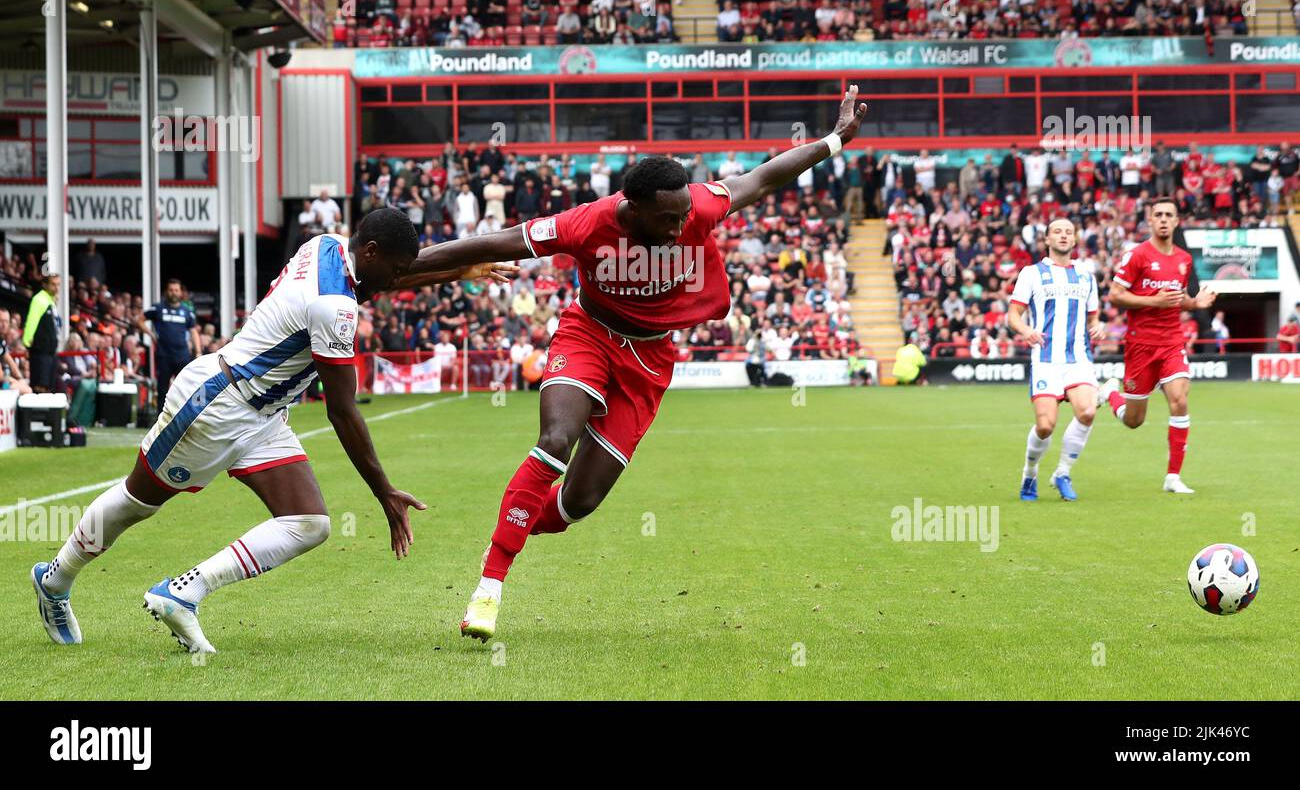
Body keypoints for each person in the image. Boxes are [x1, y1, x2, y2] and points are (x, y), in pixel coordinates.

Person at [397, 87, 870, 641]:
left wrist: (834, 139)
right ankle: (490, 584)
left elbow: (765, 177)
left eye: (684, 216)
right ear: (634, 208)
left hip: (649, 357)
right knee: (555, 439)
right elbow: (494, 241)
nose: (680, 228)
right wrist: (396, 268)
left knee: (579, 502)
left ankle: (514, 527)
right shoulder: (583, 223)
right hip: (589, 335)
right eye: (668, 220)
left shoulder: (697, 204)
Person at [31, 208, 514, 652]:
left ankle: (183, 593)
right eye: (397, 267)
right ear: (370, 253)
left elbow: (379, 278)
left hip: (261, 414)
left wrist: (454, 270)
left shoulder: (325, 244)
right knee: (136, 503)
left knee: (309, 523)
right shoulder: (334, 305)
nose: (399, 277)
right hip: (215, 407)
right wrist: (384, 492)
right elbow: (342, 411)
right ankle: (55, 580)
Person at [1098, 198, 1217, 494]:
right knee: (1134, 420)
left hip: (1172, 342)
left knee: (1179, 399)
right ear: (1149, 221)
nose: (1163, 220)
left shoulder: (1183, 260)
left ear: (1177, 221)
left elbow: (1177, 301)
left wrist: (1195, 303)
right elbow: (1114, 295)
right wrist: (1153, 301)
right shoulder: (1136, 255)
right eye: (1158, 215)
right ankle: (1110, 393)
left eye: (1169, 215)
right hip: (1140, 346)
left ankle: (1173, 477)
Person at [1006, 218, 1106, 502]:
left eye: (1068, 232)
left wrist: (1098, 326)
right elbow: (1013, 314)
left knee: (1087, 411)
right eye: (1057, 232)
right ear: (1047, 240)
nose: (1063, 236)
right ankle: (1030, 473)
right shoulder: (1032, 273)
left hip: (1077, 358)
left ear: (1075, 240)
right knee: (1046, 425)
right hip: (1046, 359)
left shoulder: (1086, 276)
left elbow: (1093, 315)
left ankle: (1063, 472)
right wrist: (1026, 330)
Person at [140, 278, 201, 406]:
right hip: (164, 355)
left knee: (185, 388)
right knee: (162, 389)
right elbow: (139, 320)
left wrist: (198, 352)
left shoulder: (187, 312)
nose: (174, 293)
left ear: (181, 293)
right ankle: (161, 420)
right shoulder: (158, 308)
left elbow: (193, 331)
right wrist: (150, 334)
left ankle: (184, 418)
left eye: (176, 290)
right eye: (171, 290)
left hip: (182, 355)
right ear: (166, 291)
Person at [23, 273, 61, 392]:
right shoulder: (39, 299)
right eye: (53, 284)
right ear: (44, 285)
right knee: (40, 388)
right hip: (41, 353)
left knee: (49, 387)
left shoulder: (51, 301)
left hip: (50, 352)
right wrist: (27, 344)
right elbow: (31, 321)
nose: (56, 288)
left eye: (58, 285)